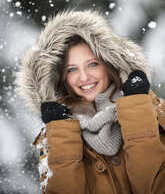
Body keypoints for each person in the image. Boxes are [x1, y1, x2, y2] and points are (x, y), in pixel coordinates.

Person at [16, 10, 165, 194]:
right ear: (60, 79)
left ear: (111, 64)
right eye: (72, 70)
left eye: (92, 64)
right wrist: (63, 135)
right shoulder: (55, 137)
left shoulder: (155, 112)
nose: (84, 77)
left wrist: (137, 110)